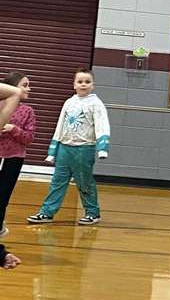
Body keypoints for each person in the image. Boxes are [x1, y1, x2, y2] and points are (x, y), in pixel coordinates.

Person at [26, 69, 110, 226]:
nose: (83, 84)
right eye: (80, 81)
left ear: (93, 85)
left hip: (84, 149)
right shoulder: (69, 102)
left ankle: (92, 213)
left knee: (84, 182)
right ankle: (47, 212)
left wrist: (102, 148)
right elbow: (60, 126)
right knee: (57, 181)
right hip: (65, 148)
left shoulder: (96, 104)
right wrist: (53, 150)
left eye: (87, 81)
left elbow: (102, 125)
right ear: (74, 85)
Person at [0, 71, 36, 237]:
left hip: (14, 158)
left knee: (3, 196)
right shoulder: (2, 106)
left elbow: (28, 138)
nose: (29, 89)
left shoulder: (27, 111)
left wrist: (14, 129)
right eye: (24, 85)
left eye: (29, 85)